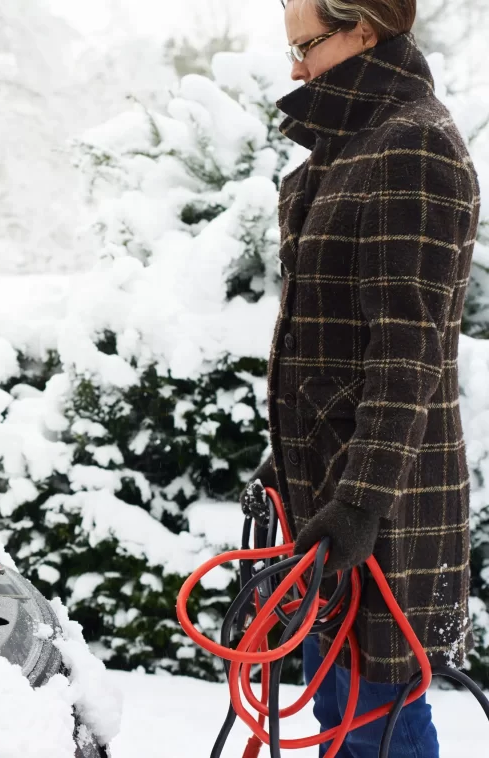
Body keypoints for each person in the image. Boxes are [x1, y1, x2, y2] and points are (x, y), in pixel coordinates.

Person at [240, 1, 480, 756]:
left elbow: (405, 353)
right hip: (327, 504)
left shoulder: (412, 148)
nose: (295, 67)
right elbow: (327, 348)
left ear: (365, 31)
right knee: (339, 721)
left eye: (307, 44)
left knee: (380, 732)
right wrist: (288, 459)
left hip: (383, 514)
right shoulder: (345, 153)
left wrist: (358, 505)